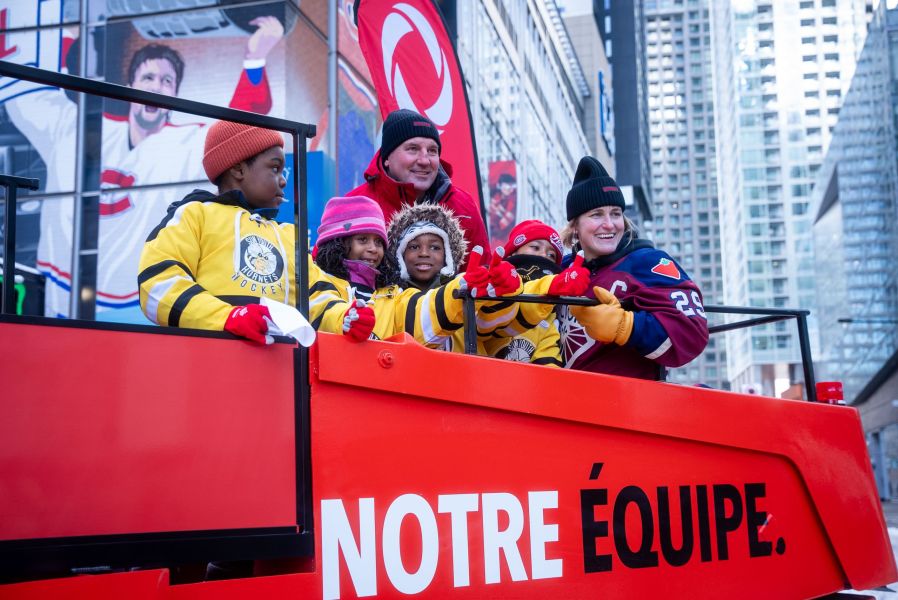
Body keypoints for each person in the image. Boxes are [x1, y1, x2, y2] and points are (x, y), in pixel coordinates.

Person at [4, 19, 283, 319]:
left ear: (175, 95)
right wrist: (67, 33)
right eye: (148, 77)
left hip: (141, 305)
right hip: (62, 298)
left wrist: (255, 58)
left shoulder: (187, 141)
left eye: (166, 81)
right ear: (130, 87)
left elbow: (242, 125)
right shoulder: (76, 127)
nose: (156, 86)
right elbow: (29, 98)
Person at [137, 120, 291, 343]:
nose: (283, 180)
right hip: (208, 363)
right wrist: (227, 318)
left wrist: (343, 318)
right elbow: (157, 284)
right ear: (238, 169)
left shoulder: (287, 234)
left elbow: (316, 295)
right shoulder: (193, 215)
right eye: (275, 168)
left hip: (284, 368)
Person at [558, 156, 709, 380]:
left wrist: (626, 326)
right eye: (596, 214)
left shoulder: (648, 262)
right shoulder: (560, 271)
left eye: (616, 213)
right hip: (559, 403)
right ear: (575, 227)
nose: (609, 224)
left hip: (629, 408)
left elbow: (692, 332)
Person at [309, 196, 522, 348]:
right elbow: (321, 309)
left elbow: (422, 312)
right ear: (338, 243)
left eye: (378, 242)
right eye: (362, 240)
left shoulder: (393, 296)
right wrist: (344, 320)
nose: (373, 249)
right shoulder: (319, 279)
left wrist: (462, 287)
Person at [347, 108, 490, 268]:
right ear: (387, 157)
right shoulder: (353, 206)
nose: (424, 160)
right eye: (412, 149)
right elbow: (323, 272)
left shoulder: (463, 206)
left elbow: (483, 275)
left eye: (432, 151)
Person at [484, 220, 566, 367]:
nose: (543, 256)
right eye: (535, 247)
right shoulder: (489, 288)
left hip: (524, 386)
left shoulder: (548, 314)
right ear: (513, 253)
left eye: (551, 255)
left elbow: (549, 362)